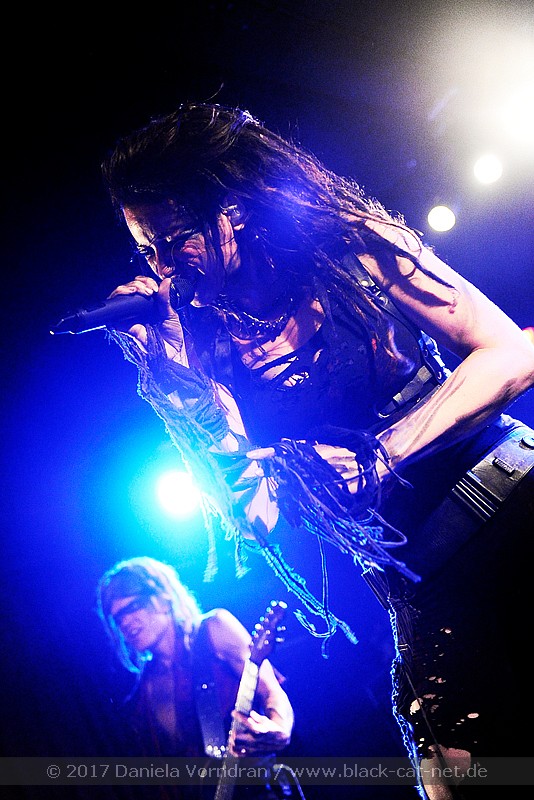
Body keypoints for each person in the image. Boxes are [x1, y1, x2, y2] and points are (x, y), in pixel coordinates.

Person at [95, 102, 534, 798]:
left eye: (176, 240)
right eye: (148, 251)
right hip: (423, 574)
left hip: (512, 496)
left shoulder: (350, 244)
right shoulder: (206, 347)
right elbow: (257, 517)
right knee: (455, 774)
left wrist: (381, 455)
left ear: (231, 212)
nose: (165, 267)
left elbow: (511, 352)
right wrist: (177, 383)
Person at [96, 556, 295, 799]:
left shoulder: (213, 630)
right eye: (117, 618)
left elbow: (271, 690)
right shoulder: (143, 691)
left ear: (163, 597)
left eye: (132, 607)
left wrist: (280, 728)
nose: (125, 622)